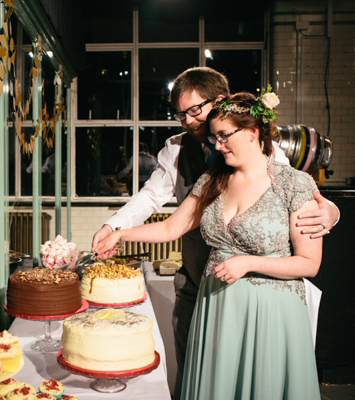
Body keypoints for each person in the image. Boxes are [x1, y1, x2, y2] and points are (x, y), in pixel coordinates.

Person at [91, 67, 338, 399]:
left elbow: (302, 207)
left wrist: (332, 213)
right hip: (204, 292)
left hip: (266, 306)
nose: (189, 122)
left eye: (195, 111)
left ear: (248, 129)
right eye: (180, 114)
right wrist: (117, 230)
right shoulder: (197, 166)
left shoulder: (276, 162)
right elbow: (162, 213)